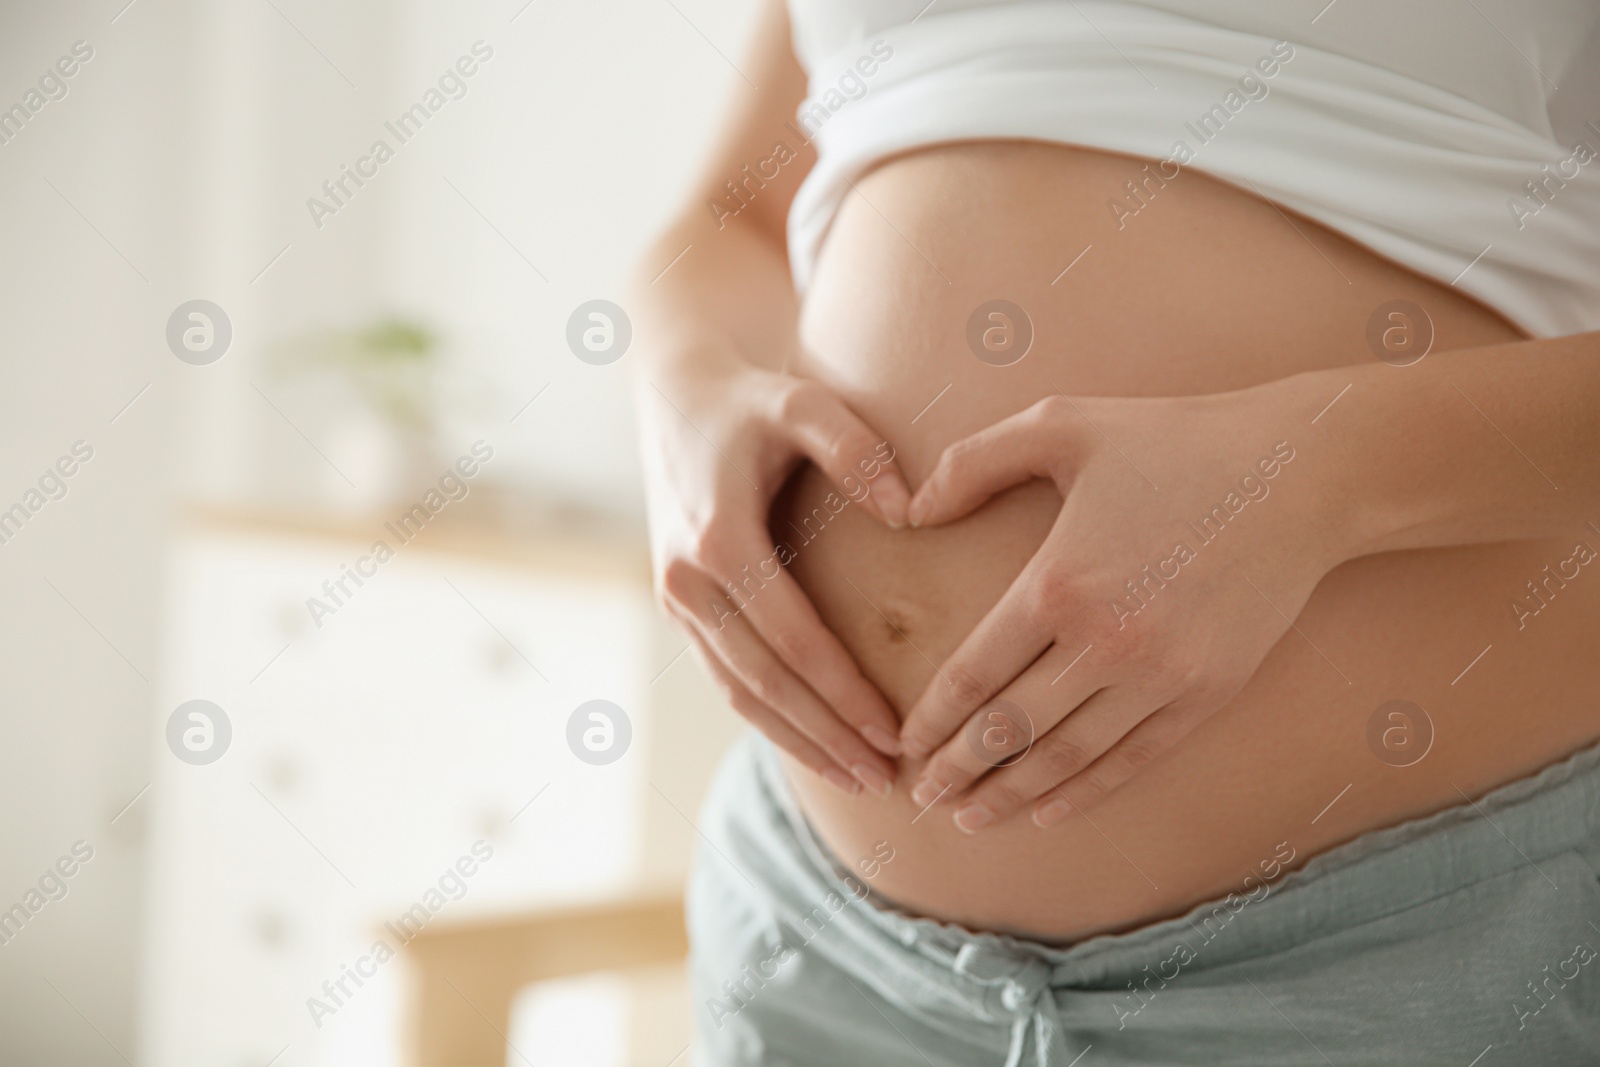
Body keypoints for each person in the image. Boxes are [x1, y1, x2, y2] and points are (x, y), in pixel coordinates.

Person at [631, 1, 1600, 1062]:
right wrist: (682, 392)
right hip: (825, 954)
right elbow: (740, 215)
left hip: (1400, 963)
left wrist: (1316, 477)